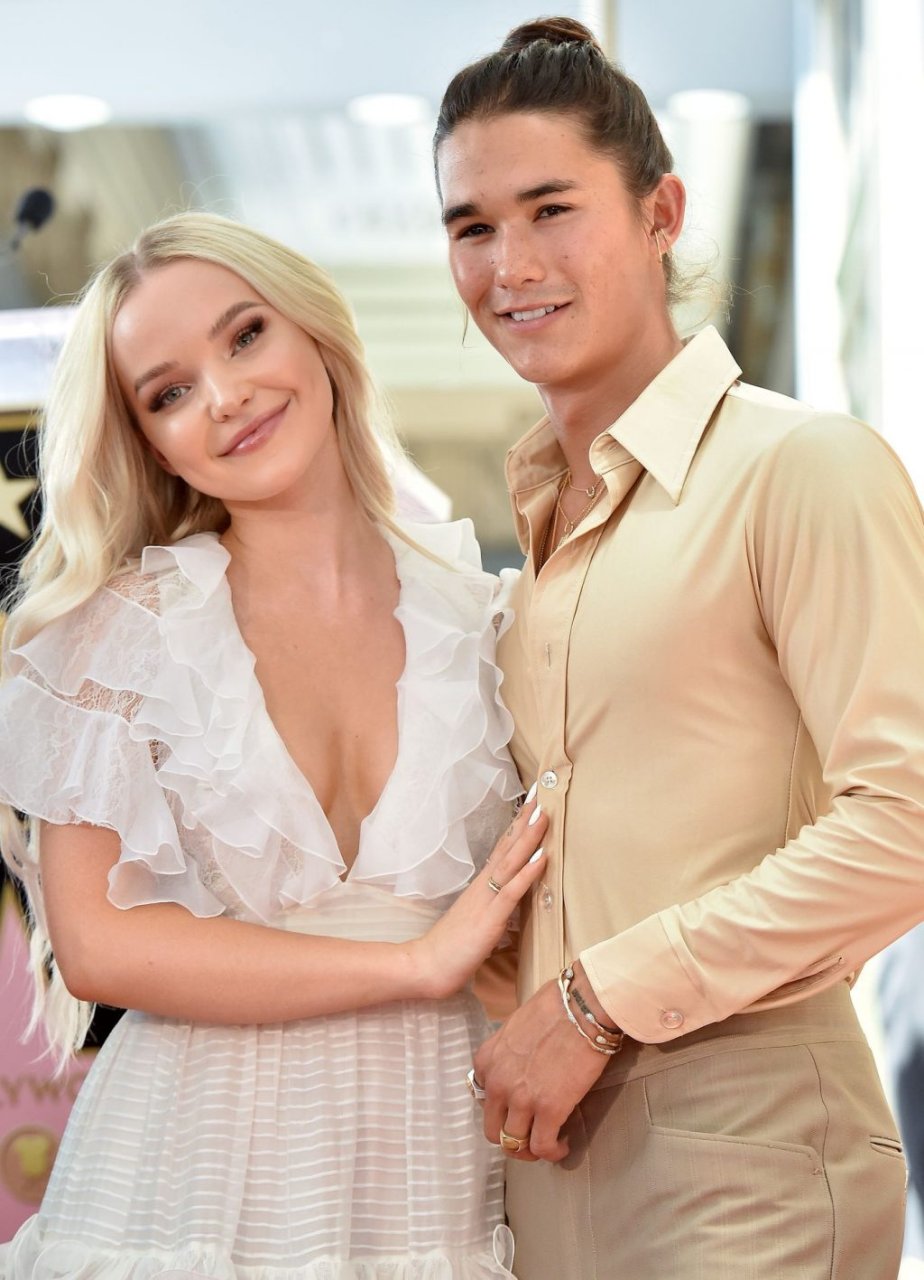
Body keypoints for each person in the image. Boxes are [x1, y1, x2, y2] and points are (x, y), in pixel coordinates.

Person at [433, 17, 923, 1279]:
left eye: (552, 209)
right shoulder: (530, 564)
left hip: (751, 1139)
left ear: (662, 211)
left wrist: (596, 998)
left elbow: (909, 822)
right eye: (472, 226)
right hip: (548, 1154)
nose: (509, 264)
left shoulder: (800, 468)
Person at [0, 211, 550, 1278]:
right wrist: (414, 963)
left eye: (245, 335)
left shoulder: (485, 619)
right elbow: (99, 945)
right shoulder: (122, 629)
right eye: (169, 392)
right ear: (149, 442)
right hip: (190, 1174)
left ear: (316, 331)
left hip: (430, 1160)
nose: (226, 395)